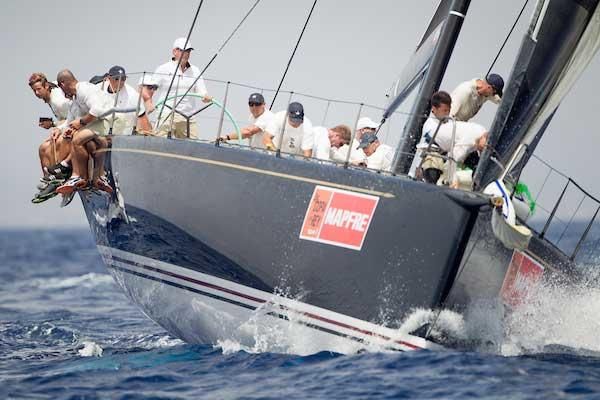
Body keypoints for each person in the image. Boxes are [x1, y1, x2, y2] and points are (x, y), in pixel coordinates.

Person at [54, 69, 113, 195]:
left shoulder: (84, 89)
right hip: (96, 126)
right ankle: (97, 177)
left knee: (78, 139)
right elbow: (71, 120)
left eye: (61, 88)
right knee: (78, 139)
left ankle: (78, 176)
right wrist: (66, 130)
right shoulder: (75, 98)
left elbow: (96, 110)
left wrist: (81, 123)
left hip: (107, 123)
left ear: (62, 84)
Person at [418, 91, 489, 186]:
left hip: (449, 148)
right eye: (445, 110)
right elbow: (455, 157)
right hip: (434, 151)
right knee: (434, 168)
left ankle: (481, 184)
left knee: (477, 161)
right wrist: (453, 179)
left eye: (449, 110)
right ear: (434, 109)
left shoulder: (451, 123)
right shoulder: (429, 125)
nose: (448, 113)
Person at [154, 37, 212, 139]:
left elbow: (202, 92)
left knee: (194, 148)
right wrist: (148, 103)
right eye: (182, 50)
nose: (186, 53)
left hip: (188, 116)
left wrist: (206, 97)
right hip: (167, 114)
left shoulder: (195, 70)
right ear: (174, 51)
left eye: (188, 51)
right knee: (159, 143)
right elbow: (149, 88)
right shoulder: (163, 68)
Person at [28, 72, 73, 203]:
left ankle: (59, 178)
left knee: (54, 142)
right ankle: (48, 179)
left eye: (38, 89)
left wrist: (58, 128)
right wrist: (53, 124)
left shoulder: (58, 101)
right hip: (66, 125)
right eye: (34, 91)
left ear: (46, 86)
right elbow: (63, 118)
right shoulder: (50, 96)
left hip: (75, 127)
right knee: (42, 148)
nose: (36, 93)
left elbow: (75, 114)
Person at [100, 66, 151, 134]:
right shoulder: (99, 88)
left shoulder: (133, 95)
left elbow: (143, 119)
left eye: (123, 79)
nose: (120, 82)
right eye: (117, 78)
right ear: (109, 78)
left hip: (124, 134)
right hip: (103, 129)